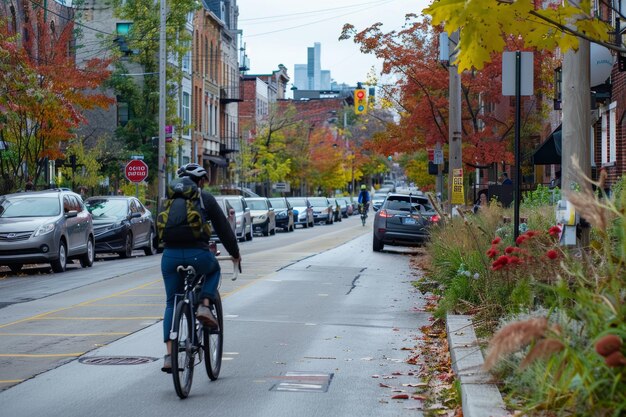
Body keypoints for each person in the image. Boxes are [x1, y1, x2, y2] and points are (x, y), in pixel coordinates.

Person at [160, 163, 241, 373]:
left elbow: (158, 228)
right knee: (213, 270)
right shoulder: (205, 199)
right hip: (198, 254)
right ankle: (204, 304)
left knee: (172, 302)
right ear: (200, 181)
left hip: (170, 257)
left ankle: (169, 356)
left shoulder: (166, 199)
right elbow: (223, 230)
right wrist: (235, 253)